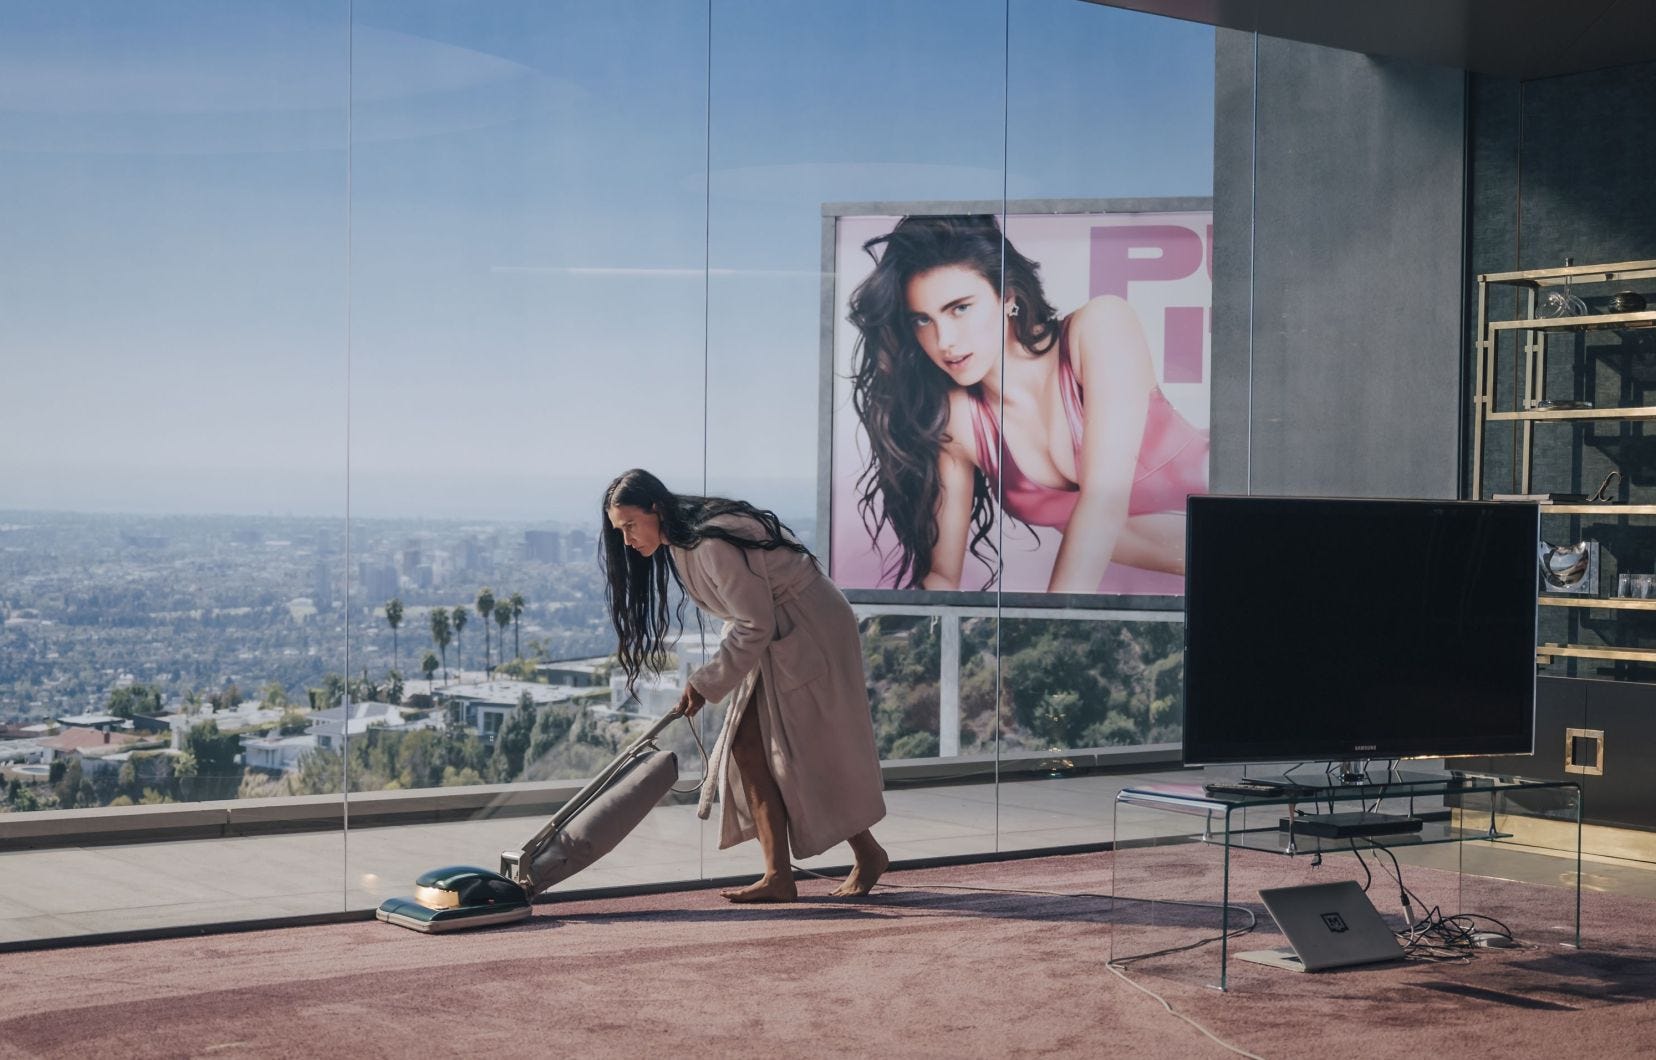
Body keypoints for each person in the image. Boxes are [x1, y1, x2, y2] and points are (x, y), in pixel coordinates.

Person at [847, 214, 1209, 593]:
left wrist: (1053, 622)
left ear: (1008, 296)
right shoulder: (961, 424)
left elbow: (1104, 505)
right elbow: (942, 576)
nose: (945, 340)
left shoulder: (1100, 328)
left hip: (1244, 521)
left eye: (960, 308)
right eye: (923, 320)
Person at [601, 468, 888, 902]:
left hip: (809, 630)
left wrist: (706, 681)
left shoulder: (708, 544)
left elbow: (754, 621)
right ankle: (786, 873)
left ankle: (848, 858)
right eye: (619, 530)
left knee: (799, 749)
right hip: (779, 634)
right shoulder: (682, 543)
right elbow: (751, 619)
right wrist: (711, 679)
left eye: (630, 526)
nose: (627, 540)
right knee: (752, 746)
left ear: (654, 509)